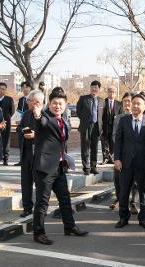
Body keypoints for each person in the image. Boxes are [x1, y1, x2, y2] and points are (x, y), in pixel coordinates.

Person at [32, 90, 88, 245]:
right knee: (42, 202)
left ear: (65, 105)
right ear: (49, 104)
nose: (57, 106)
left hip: (59, 167)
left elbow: (61, 142)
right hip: (44, 168)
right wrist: (37, 114)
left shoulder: (64, 120)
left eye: (60, 103)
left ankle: (69, 227)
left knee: (65, 199)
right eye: (54, 103)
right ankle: (38, 233)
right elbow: (40, 121)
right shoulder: (45, 117)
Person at [114, 94, 145, 229]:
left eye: (139, 104)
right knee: (124, 191)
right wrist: (117, 159)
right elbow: (119, 141)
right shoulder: (124, 121)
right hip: (125, 163)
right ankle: (123, 217)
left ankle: (143, 218)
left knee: (144, 192)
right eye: (133, 103)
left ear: (144, 107)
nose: (135, 106)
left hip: (143, 163)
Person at [109, 92, 138, 214]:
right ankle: (121, 199)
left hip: (135, 155)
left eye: (129, 101)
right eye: (125, 101)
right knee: (118, 178)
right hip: (120, 153)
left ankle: (133, 202)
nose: (127, 103)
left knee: (135, 180)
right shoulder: (119, 118)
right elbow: (115, 135)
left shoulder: (140, 116)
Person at [18, 90, 44, 217]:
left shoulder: (46, 114)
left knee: (39, 183)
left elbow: (50, 134)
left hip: (39, 155)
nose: (27, 102)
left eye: (28, 100)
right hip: (26, 152)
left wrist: (36, 135)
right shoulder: (26, 114)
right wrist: (24, 131)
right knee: (26, 182)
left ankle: (40, 208)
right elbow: (19, 128)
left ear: (37, 102)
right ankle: (27, 207)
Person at [76, 80, 104, 175]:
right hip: (86, 126)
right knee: (85, 147)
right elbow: (78, 111)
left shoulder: (102, 101)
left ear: (99, 89)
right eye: (92, 87)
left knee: (94, 148)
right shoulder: (83, 99)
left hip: (97, 126)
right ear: (90, 88)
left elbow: (102, 115)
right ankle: (86, 168)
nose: (94, 89)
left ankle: (93, 167)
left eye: (96, 87)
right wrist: (85, 120)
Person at [101, 85, 122, 165]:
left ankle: (112, 158)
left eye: (113, 92)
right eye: (110, 92)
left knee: (113, 142)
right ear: (107, 93)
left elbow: (121, 115)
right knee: (105, 143)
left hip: (115, 127)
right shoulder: (103, 102)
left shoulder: (119, 104)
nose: (112, 94)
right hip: (105, 126)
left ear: (115, 94)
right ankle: (105, 158)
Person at [0, 82, 15, 165]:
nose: (2, 91)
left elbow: (12, 111)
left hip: (6, 122)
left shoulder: (9, 99)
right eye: (0, 89)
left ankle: (5, 159)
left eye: (4, 89)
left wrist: (6, 118)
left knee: (6, 141)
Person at [14, 81, 32, 166]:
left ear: (30, 88)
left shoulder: (32, 98)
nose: (25, 89)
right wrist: (17, 119)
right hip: (21, 124)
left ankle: (29, 160)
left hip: (30, 123)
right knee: (21, 142)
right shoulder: (21, 99)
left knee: (28, 142)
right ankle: (22, 160)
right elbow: (18, 111)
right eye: (23, 87)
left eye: (26, 87)